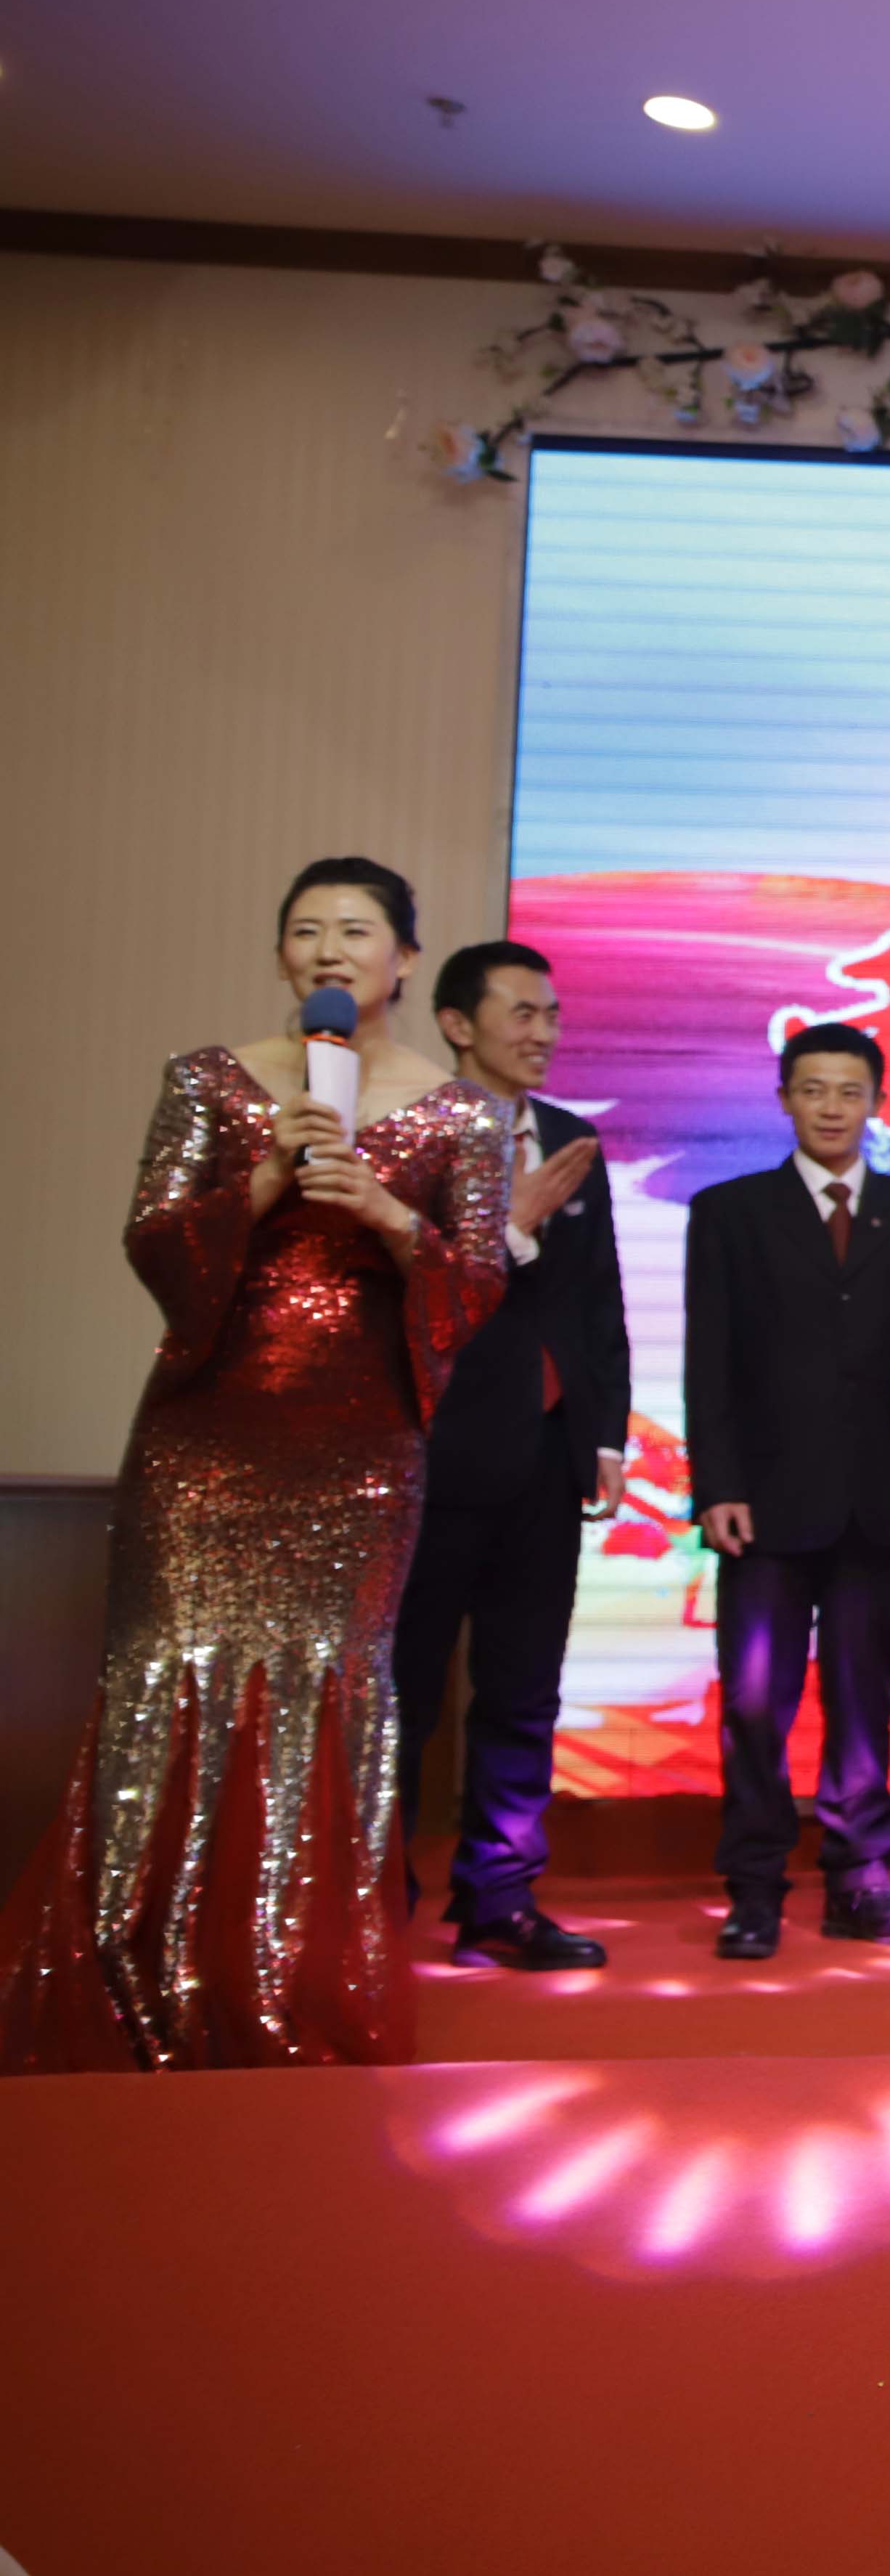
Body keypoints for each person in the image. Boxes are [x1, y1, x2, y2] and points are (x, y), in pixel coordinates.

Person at [4, 860, 507, 2069]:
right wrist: (270, 1178)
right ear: (283, 954)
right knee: (166, 1681)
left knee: (323, 1695)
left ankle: (283, 1978)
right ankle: (136, 1972)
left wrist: (388, 1215)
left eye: (357, 931)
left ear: (403, 959)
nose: (330, 950)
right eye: (306, 930)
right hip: (205, 1438)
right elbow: (154, 1247)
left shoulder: (460, 1114)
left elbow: (479, 1281)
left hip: (360, 1449)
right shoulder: (209, 1081)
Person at [682, 1021, 890, 1961]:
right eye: (813, 1089)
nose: (832, 1108)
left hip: (877, 1500)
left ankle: (859, 1880)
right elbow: (709, 1361)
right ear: (784, 1100)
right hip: (761, 1503)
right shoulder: (730, 1212)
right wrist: (717, 1483)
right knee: (754, 1703)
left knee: (861, 1696)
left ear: (877, 1102)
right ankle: (754, 1888)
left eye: (850, 1091)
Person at [392, 937, 632, 1973]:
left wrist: (605, 1432)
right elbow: (404, 1293)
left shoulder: (572, 1138)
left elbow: (596, 1301)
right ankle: (370, 1896)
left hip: (546, 1454)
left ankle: (499, 1896)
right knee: (401, 1689)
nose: (543, 1032)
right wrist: (511, 1228)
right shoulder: (409, 1134)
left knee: (524, 1689)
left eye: (552, 1014)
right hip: (432, 1452)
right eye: (521, 1013)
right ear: (457, 1024)